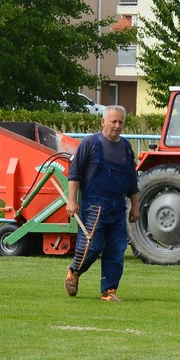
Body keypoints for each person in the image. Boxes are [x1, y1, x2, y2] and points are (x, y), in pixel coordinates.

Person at [64, 105, 140, 302]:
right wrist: (72, 201)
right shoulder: (89, 143)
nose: (117, 126)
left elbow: (132, 179)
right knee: (92, 247)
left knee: (116, 251)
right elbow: (74, 175)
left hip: (117, 207)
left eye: (120, 122)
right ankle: (74, 271)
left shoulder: (126, 147)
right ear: (103, 122)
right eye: (113, 121)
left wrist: (135, 206)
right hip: (93, 207)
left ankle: (109, 292)